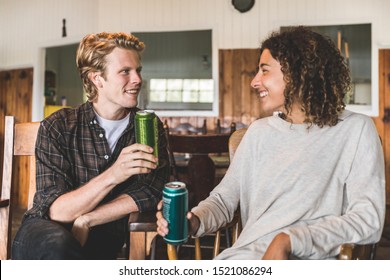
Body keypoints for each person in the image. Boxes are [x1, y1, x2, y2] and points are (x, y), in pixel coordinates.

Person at [156, 26, 386, 260]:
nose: (254, 82)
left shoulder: (356, 129)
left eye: (264, 71)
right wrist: (194, 220)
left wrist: (290, 240)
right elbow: (223, 201)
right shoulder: (258, 133)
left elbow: (368, 219)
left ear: (298, 72)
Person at [12, 32, 170, 259]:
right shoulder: (59, 126)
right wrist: (115, 174)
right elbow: (57, 210)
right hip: (45, 232)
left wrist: (88, 219)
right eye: (125, 71)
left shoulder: (147, 126)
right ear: (97, 78)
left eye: (138, 70)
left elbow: (151, 190)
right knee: (58, 246)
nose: (137, 79)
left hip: (105, 232)